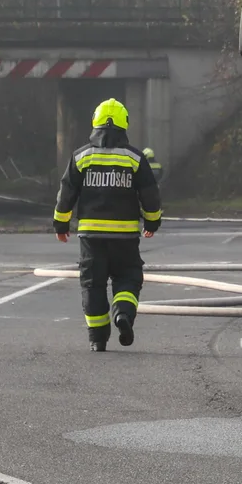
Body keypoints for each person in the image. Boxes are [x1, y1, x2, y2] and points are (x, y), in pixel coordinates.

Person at [52, 99, 163, 352]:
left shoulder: (81, 156)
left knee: (93, 284)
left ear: (95, 122)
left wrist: (61, 224)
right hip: (125, 237)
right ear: (125, 124)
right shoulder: (135, 158)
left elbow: (66, 193)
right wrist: (152, 222)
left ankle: (98, 338)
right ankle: (123, 312)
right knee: (128, 277)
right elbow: (150, 194)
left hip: (91, 238)